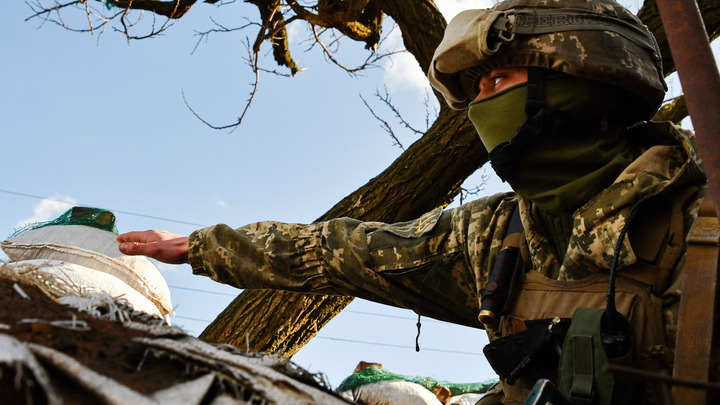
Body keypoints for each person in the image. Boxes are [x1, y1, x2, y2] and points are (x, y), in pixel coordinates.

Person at [118, 0, 712, 403]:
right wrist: (203, 246)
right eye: (473, 91)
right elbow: (348, 251)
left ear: (576, 78)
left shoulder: (699, 223)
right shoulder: (494, 235)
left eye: (496, 82)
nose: (480, 108)